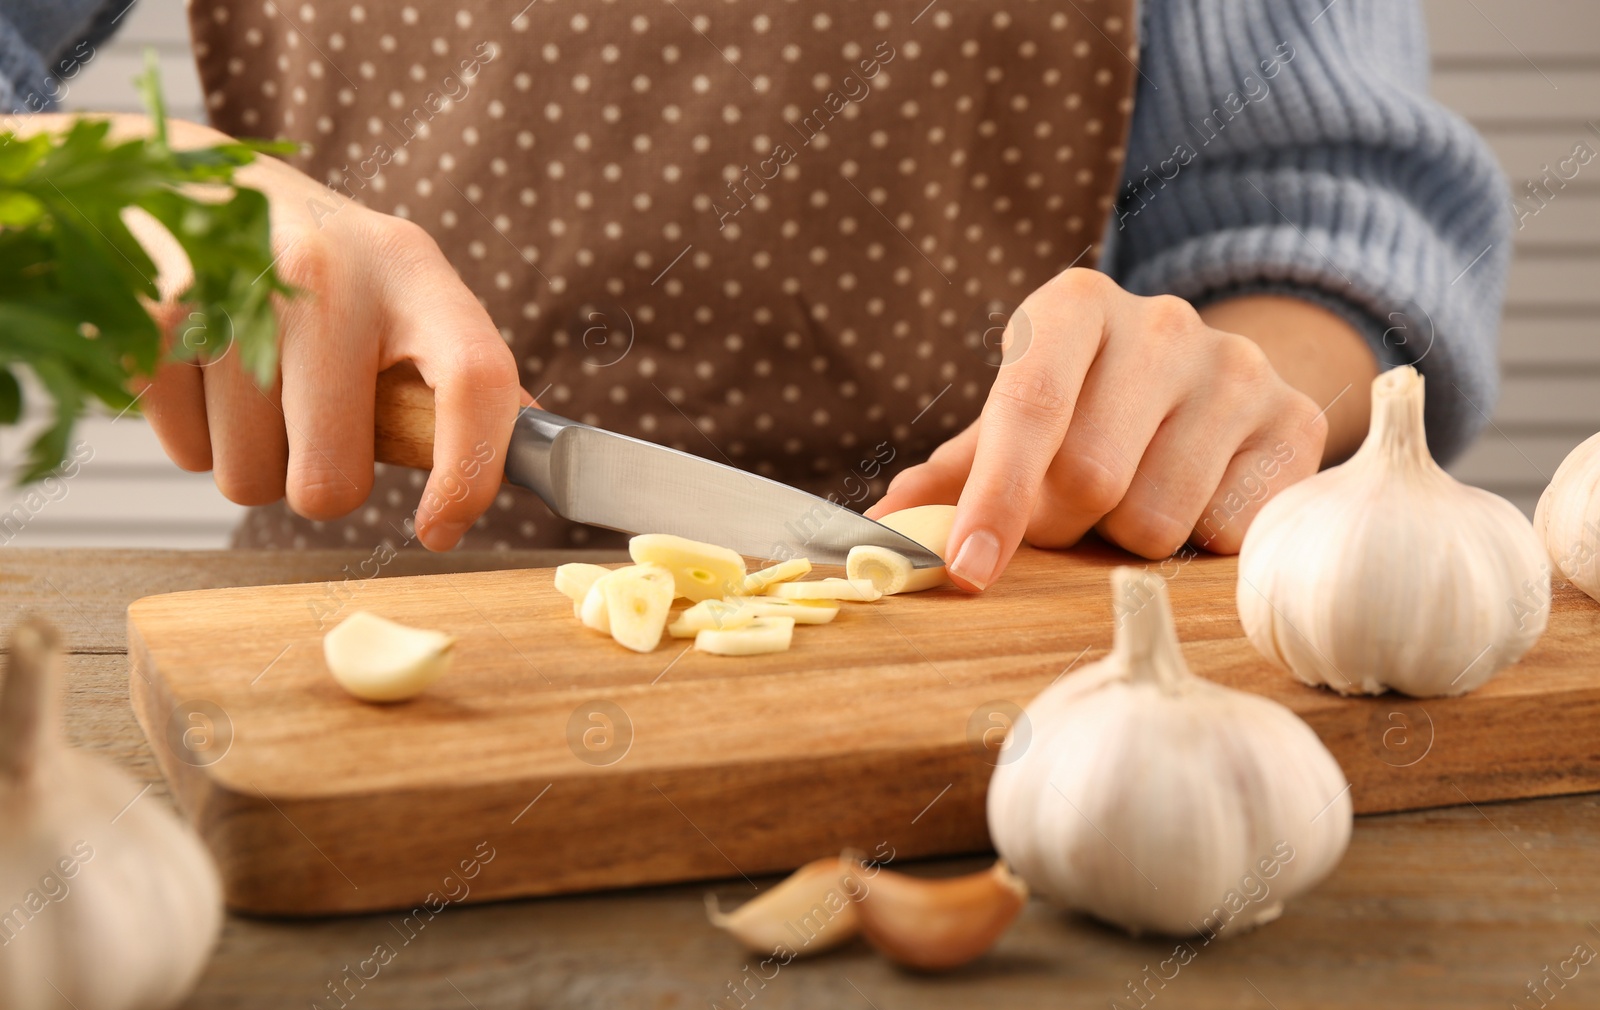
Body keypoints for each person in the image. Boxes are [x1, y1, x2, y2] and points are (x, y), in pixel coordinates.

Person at [2, 0, 1508, 591]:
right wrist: (97, 192)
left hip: (989, 660)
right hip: (344, 650)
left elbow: (1323, 213)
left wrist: (1232, 389)